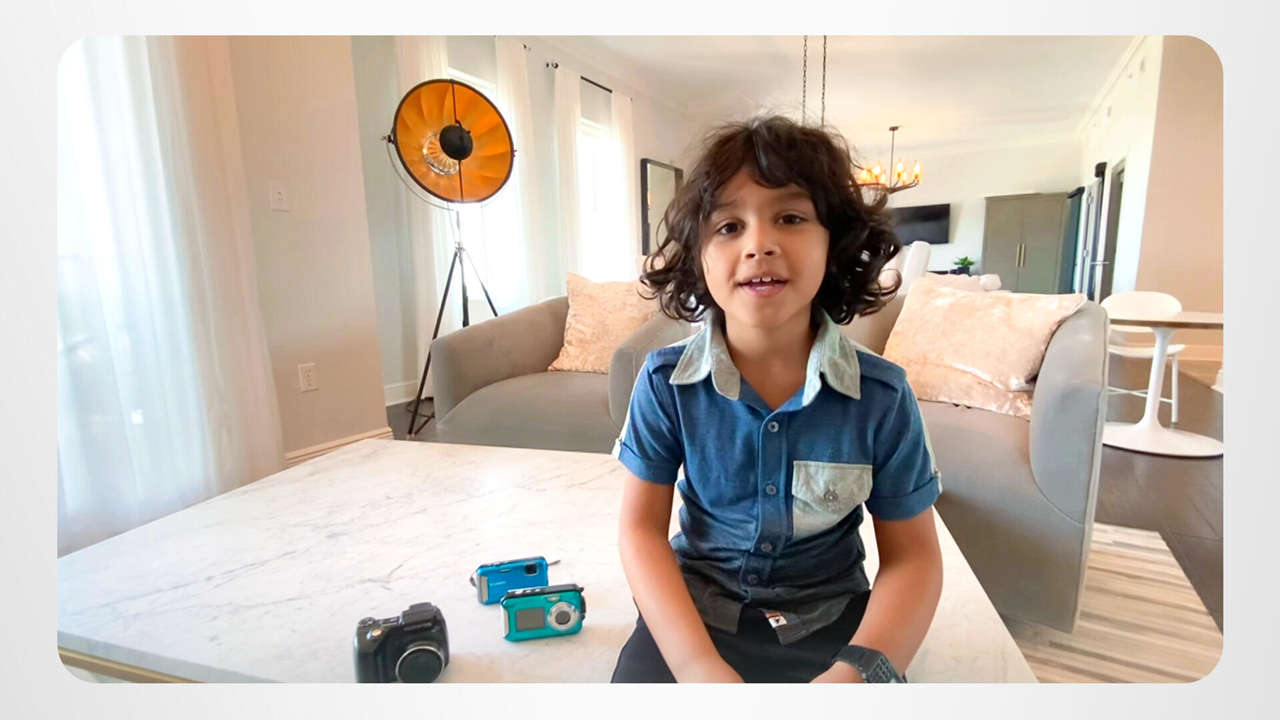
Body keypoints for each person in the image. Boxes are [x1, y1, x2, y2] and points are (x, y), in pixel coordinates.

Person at [610, 115, 944, 683]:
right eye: (728, 226)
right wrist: (695, 665)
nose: (759, 244)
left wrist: (856, 675)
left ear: (834, 244)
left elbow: (913, 558)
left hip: (832, 621)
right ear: (698, 256)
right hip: (695, 616)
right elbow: (640, 530)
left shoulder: (883, 397)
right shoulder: (665, 382)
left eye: (790, 218)